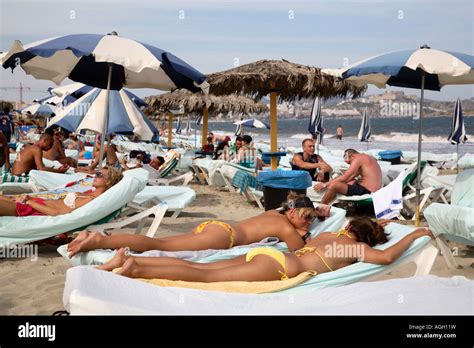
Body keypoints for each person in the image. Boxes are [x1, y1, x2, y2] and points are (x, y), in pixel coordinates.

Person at [98, 217, 434, 282]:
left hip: (273, 256)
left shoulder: (326, 237)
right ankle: (135, 267)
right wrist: (413, 233)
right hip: (281, 268)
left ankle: (131, 259)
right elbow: (388, 256)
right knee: (201, 274)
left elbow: (347, 224)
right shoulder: (355, 251)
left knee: (203, 270)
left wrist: (381, 223)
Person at [67, 194, 331, 257]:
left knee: (164, 243)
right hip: (223, 237)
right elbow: (300, 252)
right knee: (158, 244)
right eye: (305, 216)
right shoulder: (286, 227)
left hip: (215, 226)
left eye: (310, 218)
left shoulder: (276, 212)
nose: (307, 221)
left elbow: (299, 217)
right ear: (293, 212)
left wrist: (315, 213)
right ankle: (100, 240)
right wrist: (306, 231)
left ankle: (99, 237)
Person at [0, 167, 122, 217]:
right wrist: (30, 199)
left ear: (108, 182)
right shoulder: (89, 193)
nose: (95, 175)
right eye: (97, 173)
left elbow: (57, 212)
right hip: (37, 203)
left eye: (100, 175)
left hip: (35, 208)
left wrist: (29, 202)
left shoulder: (91, 200)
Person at [313, 149, 382, 205]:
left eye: (350, 163)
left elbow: (344, 177)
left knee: (334, 186)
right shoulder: (367, 157)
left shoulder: (358, 159)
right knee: (347, 182)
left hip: (366, 190)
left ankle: (321, 206)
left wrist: (324, 184)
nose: (351, 164)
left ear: (352, 156)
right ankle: (331, 202)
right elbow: (350, 176)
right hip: (374, 189)